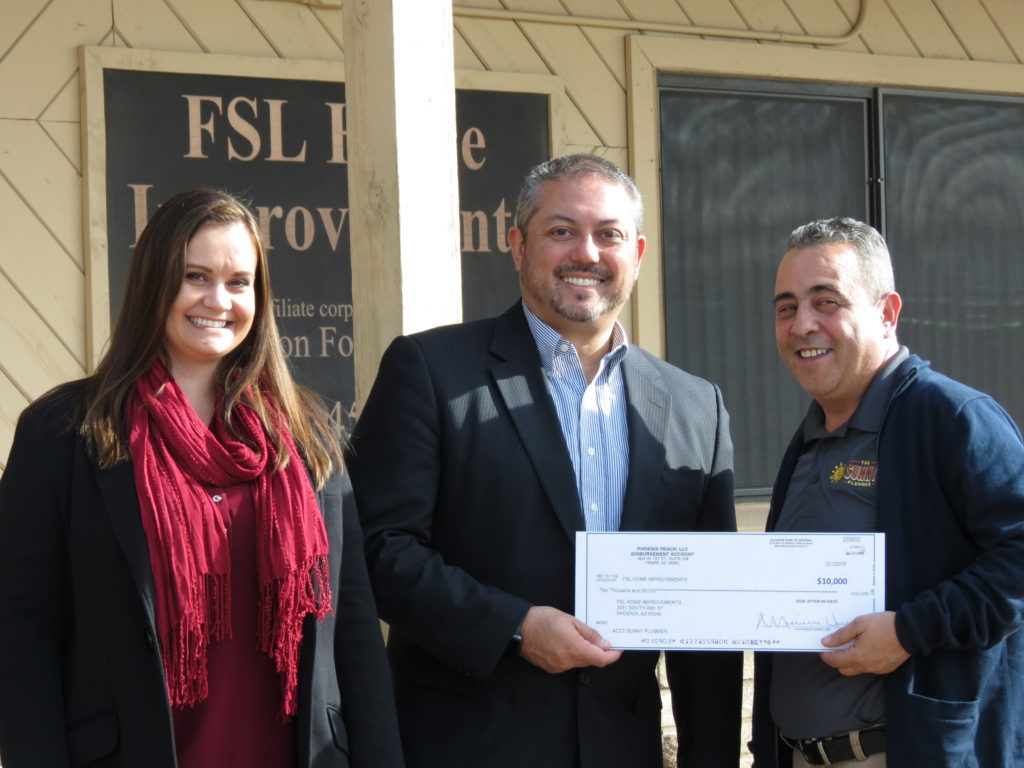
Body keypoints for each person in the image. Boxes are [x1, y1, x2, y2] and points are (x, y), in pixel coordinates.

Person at [346, 154, 742, 768]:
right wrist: (514, 626)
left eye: (608, 234)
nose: (586, 252)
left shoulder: (695, 407)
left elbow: (705, 615)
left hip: (622, 750)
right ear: (517, 245)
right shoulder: (430, 370)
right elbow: (377, 548)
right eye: (561, 231)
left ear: (635, 253)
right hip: (466, 745)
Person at [0, 189, 404, 768]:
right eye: (196, 276)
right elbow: (22, 633)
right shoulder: (65, 432)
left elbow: (355, 631)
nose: (220, 299)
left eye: (240, 282)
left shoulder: (305, 433)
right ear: (154, 283)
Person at [751, 217, 1024, 767]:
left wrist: (907, 630)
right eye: (787, 307)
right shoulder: (809, 441)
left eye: (826, 301)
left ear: (887, 312)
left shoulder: (952, 418)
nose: (803, 324)